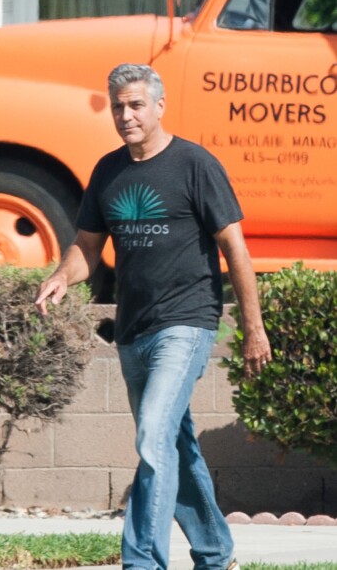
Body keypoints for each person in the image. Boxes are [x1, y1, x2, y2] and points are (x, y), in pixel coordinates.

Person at [35, 63, 272, 569]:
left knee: (151, 436)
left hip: (186, 323)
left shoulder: (194, 164)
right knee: (171, 444)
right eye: (118, 106)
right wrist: (62, 275)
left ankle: (142, 561)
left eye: (136, 104)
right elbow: (87, 248)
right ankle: (215, 552)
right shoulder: (108, 171)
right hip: (132, 331)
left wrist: (253, 328)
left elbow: (235, 248)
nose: (126, 115)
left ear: (160, 106)